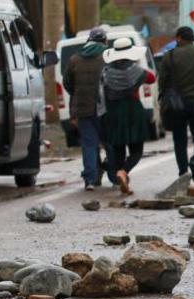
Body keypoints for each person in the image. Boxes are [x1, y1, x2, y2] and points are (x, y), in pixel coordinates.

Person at [98, 38, 156, 195]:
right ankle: (123, 172)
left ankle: (121, 177)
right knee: (136, 151)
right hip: (132, 113)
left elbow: (101, 94)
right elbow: (152, 78)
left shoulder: (106, 72)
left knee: (118, 151)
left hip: (113, 114)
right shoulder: (135, 70)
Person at [158, 26, 194, 183]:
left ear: (179, 38)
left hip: (177, 104)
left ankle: (183, 172)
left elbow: (162, 80)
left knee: (179, 139)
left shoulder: (170, 55)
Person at [63, 27, 108, 191]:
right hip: (105, 108)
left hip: (82, 109)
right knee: (109, 142)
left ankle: (90, 179)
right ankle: (114, 176)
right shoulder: (107, 56)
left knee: (89, 144)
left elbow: (68, 83)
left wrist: (78, 95)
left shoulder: (75, 59)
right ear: (104, 41)